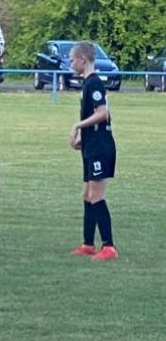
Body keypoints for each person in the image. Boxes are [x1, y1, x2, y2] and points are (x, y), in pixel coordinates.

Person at [68, 42, 118, 261]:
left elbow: (103, 113)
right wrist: (84, 137)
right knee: (87, 195)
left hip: (100, 148)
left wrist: (77, 126)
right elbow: (101, 116)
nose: (71, 64)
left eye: (72, 60)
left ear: (83, 59)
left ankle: (109, 247)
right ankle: (88, 244)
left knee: (96, 195)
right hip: (91, 145)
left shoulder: (94, 83)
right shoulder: (88, 83)